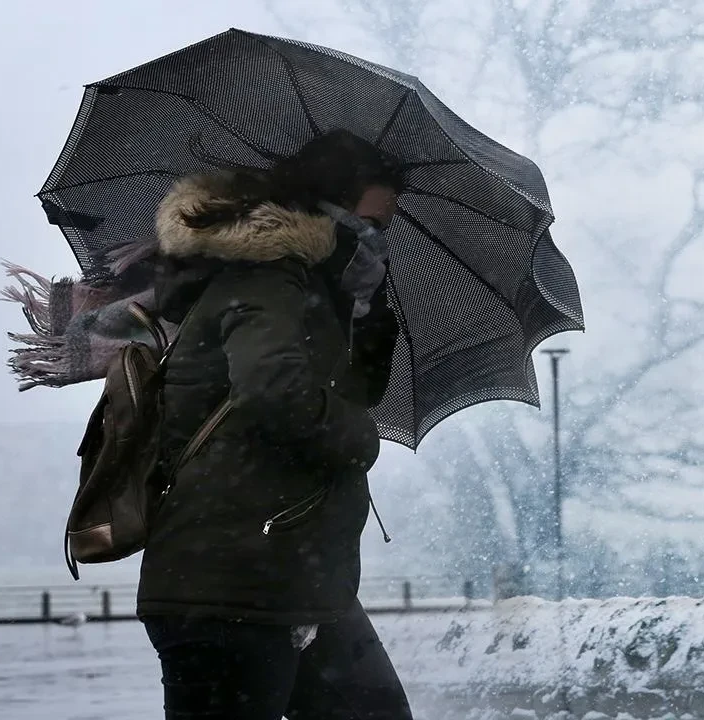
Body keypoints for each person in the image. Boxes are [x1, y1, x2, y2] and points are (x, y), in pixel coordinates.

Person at [136, 130, 412, 719]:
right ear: (325, 209)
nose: (376, 240)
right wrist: (361, 441)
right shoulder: (266, 279)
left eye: (385, 228)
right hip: (232, 582)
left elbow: (352, 392)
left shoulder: (315, 293)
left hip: (293, 577)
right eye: (367, 224)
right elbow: (274, 391)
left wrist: (367, 312)